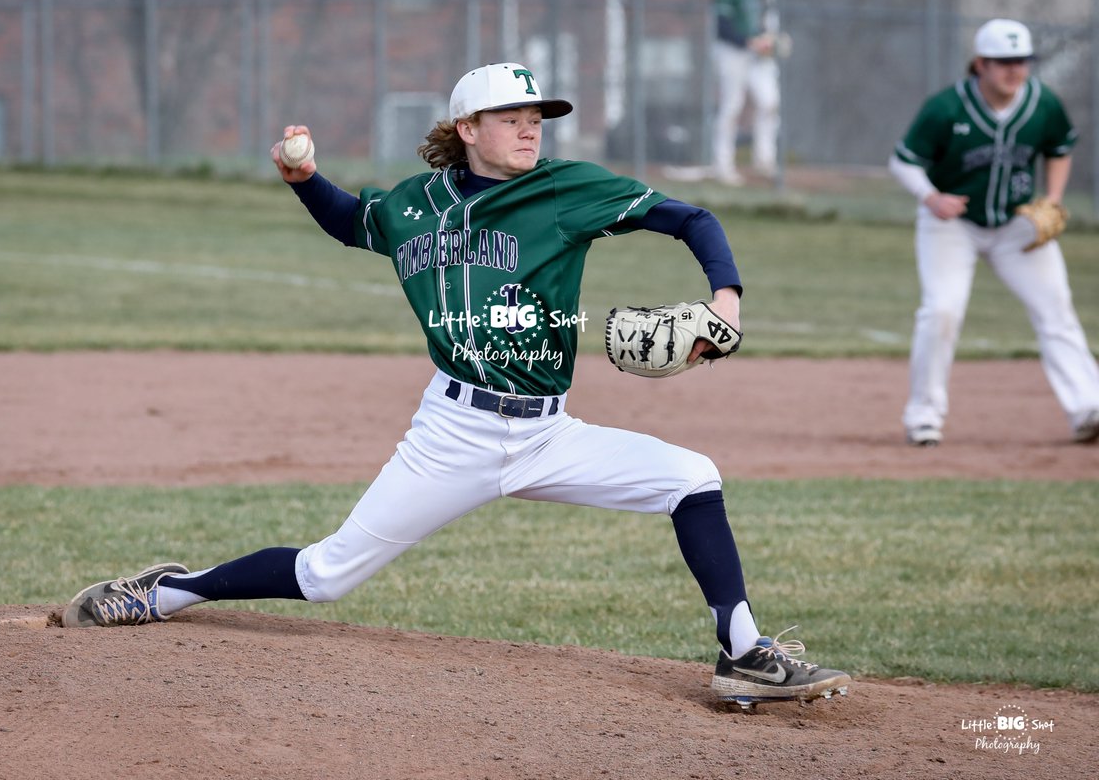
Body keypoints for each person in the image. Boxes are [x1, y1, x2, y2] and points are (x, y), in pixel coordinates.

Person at [62, 62, 849, 707]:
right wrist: (304, 177)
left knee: (692, 478)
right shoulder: (417, 205)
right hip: (454, 434)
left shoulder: (565, 188)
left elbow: (692, 219)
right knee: (326, 574)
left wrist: (725, 301)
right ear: (467, 130)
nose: (531, 127)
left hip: (548, 433)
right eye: (512, 116)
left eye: (537, 115)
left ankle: (744, 653)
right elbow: (354, 222)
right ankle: (164, 592)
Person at [889, 19, 1099, 447]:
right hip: (952, 225)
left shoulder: (1042, 104)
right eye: (1004, 62)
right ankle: (923, 417)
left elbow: (1059, 149)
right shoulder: (947, 107)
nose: (1014, 70)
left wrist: (1054, 199)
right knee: (941, 311)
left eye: (1021, 61)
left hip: (1016, 227)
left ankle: (1088, 408)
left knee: (1056, 311)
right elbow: (903, 161)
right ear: (980, 64)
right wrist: (931, 197)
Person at [711, 0, 781, 186]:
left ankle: (764, 160)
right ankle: (722, 165)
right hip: (731, 53)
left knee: (769, 101)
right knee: (732, 106)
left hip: (753, 55)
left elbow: (753, 24)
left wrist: (766, 39)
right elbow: (722, 27)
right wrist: (748, 41)